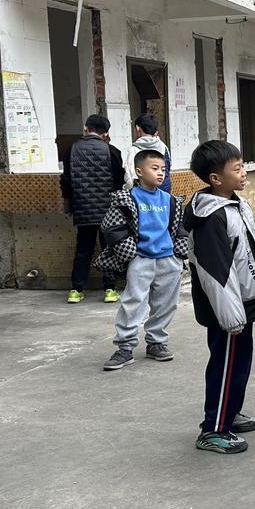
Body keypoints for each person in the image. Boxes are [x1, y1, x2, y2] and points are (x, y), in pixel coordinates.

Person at [184, 140, 255, 455]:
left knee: (239, 363)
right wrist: (231, 316)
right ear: (215, 179)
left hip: (243, 302)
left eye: (243, 166)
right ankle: (213, 430)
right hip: (226, 310)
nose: (244, 172)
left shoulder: (235, 205)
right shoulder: (211, 217)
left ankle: (229, 412)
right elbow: (216, 273)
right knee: (225, 366)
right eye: (236, 168)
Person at [95, 149, 187, 371]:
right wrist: (129, 253)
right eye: (154, 168)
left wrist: (179, 252)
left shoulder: (171, 200)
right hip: (141, 259)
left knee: (166, 304)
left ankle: (156, 342)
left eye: (163, 169)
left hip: (168, 259)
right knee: (133, 302)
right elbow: (112, 227)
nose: (160, 173)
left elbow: (180, 228)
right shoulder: (127, 198)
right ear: (139, 171)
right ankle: (125, 347)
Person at [61, 114, 124, 304]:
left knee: (83, 250)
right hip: (109, 211)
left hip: (83, 210)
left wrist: (68, 205)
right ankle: (110, 289)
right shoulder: (112, 151)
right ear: (105, 134)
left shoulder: (71, 150)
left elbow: (66, 181)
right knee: (109, 249)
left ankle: (76, 290)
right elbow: (119, 180)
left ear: (85, 128)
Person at [125, 113, 172, 192]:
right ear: (155, 131)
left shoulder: (134, 149)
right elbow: (168, 167)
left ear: (137, 128)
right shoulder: (164, 147)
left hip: (143, 193)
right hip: (164, 190)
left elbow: (129, 176)